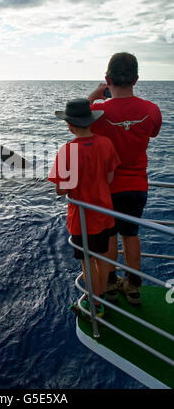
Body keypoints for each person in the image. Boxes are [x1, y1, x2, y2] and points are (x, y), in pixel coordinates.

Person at [88, 52, 162, 305]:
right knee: (131, 235)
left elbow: (74, 119)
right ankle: (133, 287)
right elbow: (153, 132)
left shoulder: (97, 111)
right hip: (137, 186)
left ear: (107, 79)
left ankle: (109, 285)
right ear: (136, 79)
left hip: (107, 187)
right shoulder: (151, 110)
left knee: (109, 236)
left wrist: (96, 94)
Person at [48, 98, 120, 318]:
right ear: (91, 121)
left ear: (69, 125)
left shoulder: (67, 150)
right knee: (101, 258)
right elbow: (109, 177)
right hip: (105, 213)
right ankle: (101, 297)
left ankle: (94, 304)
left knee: (87, 262)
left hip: (82, 218)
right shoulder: (106, 143)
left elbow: (61, 189)